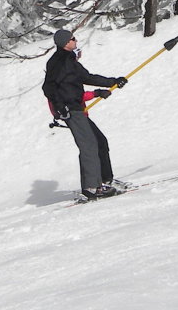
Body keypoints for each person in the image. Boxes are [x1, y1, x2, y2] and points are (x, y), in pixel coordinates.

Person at [42, 28, 129, 200]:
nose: (76, 41)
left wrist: (109, 84)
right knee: (89, 146)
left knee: (99, 141)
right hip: (71, 110)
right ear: (66, 43)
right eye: (73, 39)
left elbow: (81, 81)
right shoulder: (60, 62)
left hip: (77, 108)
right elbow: (49, 87)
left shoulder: (67, 60)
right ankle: (91, 187)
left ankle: (105, 180)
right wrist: (61, 108)